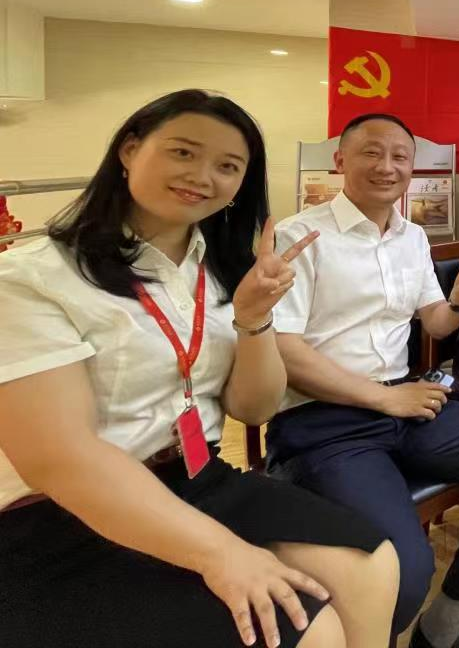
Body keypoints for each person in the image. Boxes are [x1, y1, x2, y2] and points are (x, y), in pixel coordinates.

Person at [0, 90, 398, 648]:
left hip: (193, 475)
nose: (203, 176)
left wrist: (253, 319)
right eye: (183, 152)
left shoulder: (222, 270)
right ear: (129, 150)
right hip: (61, 514)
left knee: (372, 563)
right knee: (308, 631)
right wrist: (222, 552)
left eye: (228, 166)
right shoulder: (33, 277)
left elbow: (253, 409)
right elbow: (59, 458)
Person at [266, 113, 459, 648]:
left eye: (400, 156)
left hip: (404, 402)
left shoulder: (412, 236)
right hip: (324, 421)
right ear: (341, 161)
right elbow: (284, 351)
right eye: (372, 153)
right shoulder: (300, 236)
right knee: (405, 571)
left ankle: (447, 617)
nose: (387, 166)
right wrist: (384, 399)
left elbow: (436, 323)